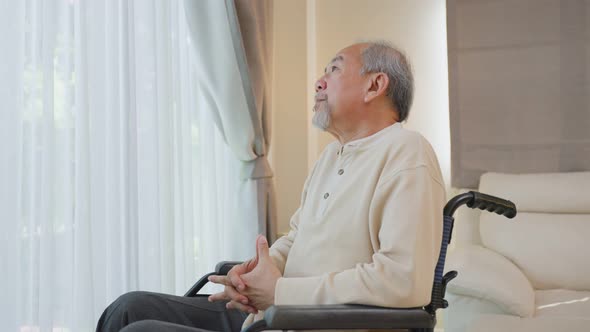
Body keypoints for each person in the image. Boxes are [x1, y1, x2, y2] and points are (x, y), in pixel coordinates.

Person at [96, 41, 446, 332]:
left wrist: (281, 291)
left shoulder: (406, 153)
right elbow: (297, 238)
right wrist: (253, 277)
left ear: (375, 85)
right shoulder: (331, 156)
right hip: (271, 315)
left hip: (310, 320)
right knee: (130, 309)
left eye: (334, 69)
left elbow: (404, 280)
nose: (319, 82)